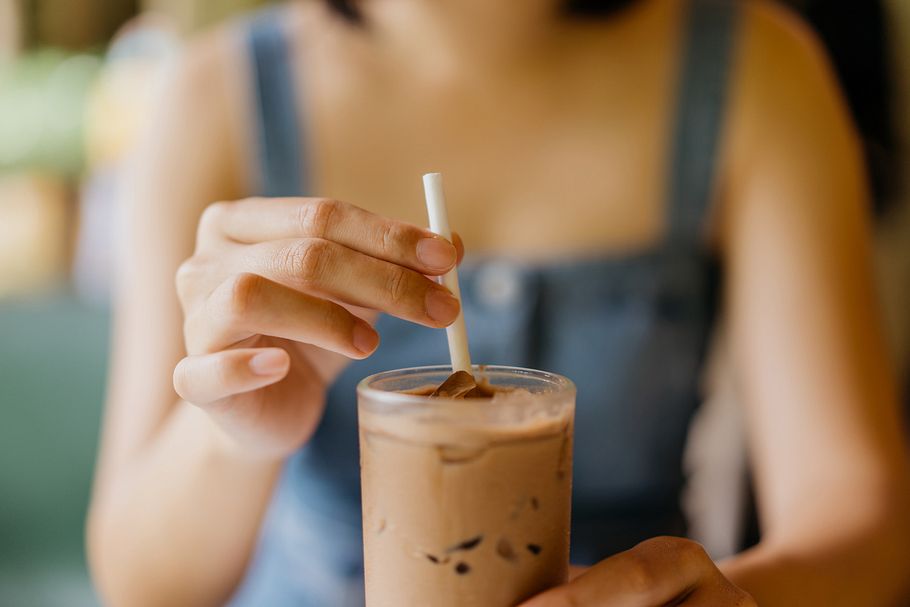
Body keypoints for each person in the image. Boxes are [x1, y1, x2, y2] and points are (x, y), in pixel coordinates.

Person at [86, 0, 910, 605]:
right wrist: (236, 432)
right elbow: (139, 582)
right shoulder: (211, 99)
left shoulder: (757, 69)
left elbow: (864, 530)